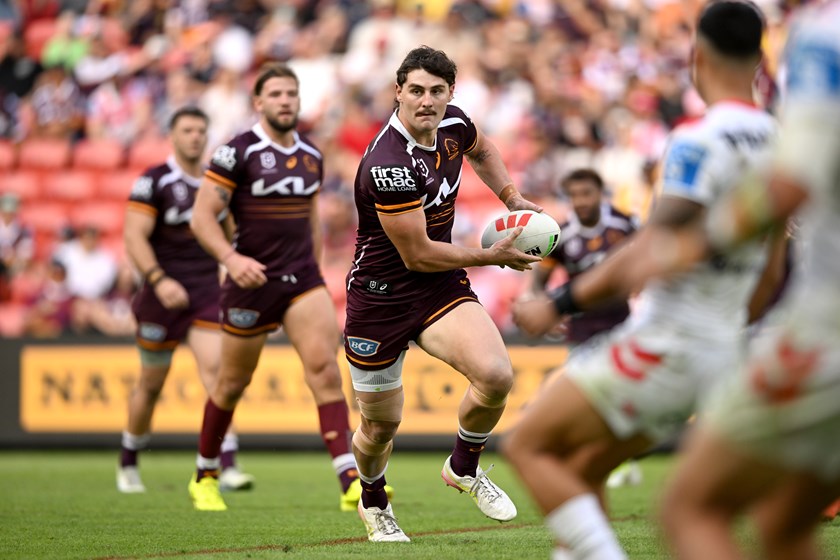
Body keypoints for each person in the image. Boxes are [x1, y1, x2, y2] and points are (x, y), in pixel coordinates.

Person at [503, 3, 778, 558]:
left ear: (697, 58)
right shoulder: (779, 140)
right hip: (723, 347)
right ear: (759, 58)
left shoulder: (699, 138)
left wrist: (556, 305)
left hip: (669, 340)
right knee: (586, 467)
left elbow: (651, 248)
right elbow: (773, 270)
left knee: (529, 445)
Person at [660, 3, 840, 558]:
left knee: (692, 507)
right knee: (785, 524)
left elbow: (790, 186)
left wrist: (697, 240)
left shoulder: (823, 34)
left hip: (828, 320)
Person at [343, 45, 542, 543]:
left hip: (435, 287)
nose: (426, 101)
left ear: (451, 93)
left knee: (496, 375)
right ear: (398, 92)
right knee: (380, 427)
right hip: (381, 296)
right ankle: (373, 499)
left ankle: (464, 466)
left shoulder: (454, 122)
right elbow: (419, 255)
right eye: (416, 90)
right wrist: (493, 254)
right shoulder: (387, 163)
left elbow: (484, 149)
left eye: (436, 90)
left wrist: (512, 198)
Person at [187, 63, 365, 513]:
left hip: (301, 281)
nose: (286, 100)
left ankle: (349, 480)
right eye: (277, 94)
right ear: (259, 102)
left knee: (326, 372)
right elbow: (201, 216)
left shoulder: (310, 154)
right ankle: (205, 474)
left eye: (292, 93)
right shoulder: (236, 152)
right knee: (231, 383)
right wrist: (230, 260)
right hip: (250, 283)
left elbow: (310, 220)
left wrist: (317, 271)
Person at [118, 106, 253, 494]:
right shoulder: (154, 180)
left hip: (207, 292)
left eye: (200, 130)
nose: (195, 137)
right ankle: (129, 458)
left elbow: (232, 233)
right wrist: (159, 281)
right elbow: (134, 236)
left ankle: (225, 464)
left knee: (219, 373)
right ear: (173, 136)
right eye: (187, 130)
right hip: (162, 295)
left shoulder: (217, 182)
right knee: (151, 384)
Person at [528, 168, 641, 488]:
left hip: (621, 322)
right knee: (587, 397)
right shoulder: (561, 234)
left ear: (601, 194)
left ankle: (618, 458)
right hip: (581, 328)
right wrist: (547, 307)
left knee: (620, 394)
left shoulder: (625, 224)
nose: (581, 201)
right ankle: (608, 459)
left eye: (586, 194)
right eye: (574, 195)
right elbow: (539, 282)